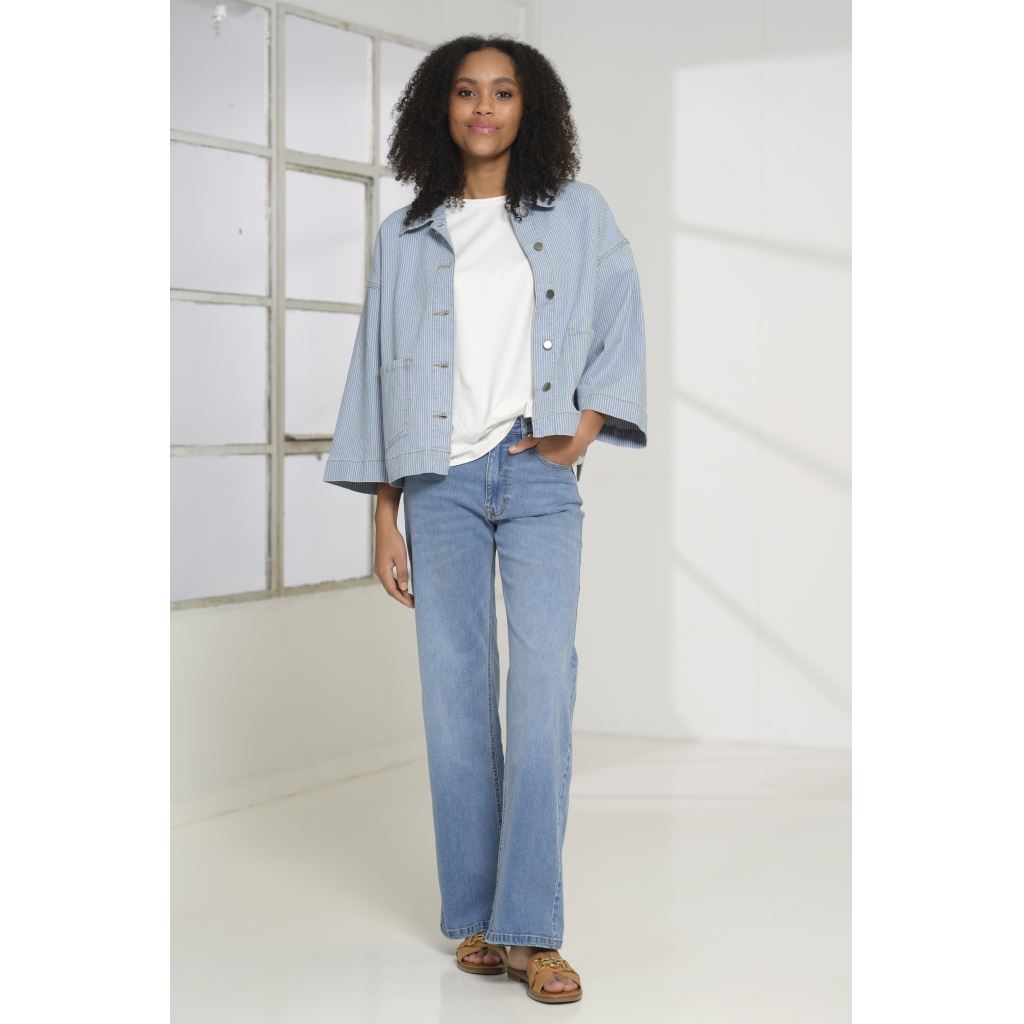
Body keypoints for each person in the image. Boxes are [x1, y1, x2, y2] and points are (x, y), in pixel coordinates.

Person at [323, 34, 648, 1006]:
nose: (483, 108)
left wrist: (583, 425)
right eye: (467, 92)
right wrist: (383, 517)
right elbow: (377, 375)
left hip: (537, 473)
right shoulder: (404, 235)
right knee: (455, 700)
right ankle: (476, 915)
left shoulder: (579, 214)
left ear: (527, 108)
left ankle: (532, 930)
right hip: (440, 484)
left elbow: (621, 318)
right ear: (442, 108)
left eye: (502, 93)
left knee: (542, 688)